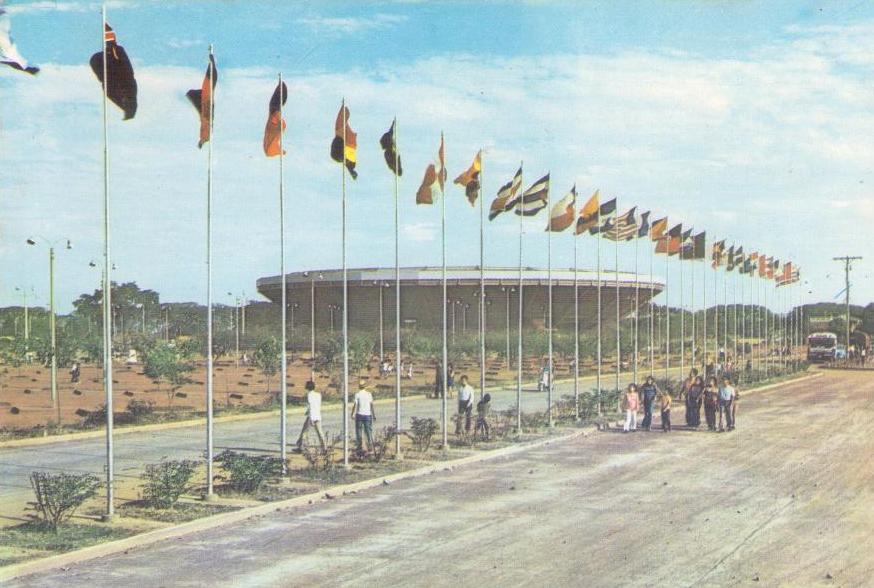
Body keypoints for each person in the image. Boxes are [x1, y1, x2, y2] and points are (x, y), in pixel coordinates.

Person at [295, 380, 326, 451]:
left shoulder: (309, 395)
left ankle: (301, 447)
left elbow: (311, 406)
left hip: (311, 417)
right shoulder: (318, 395)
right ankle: (324, 447)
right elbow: (317, 405)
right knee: (320, 433)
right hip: (317, 415)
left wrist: (311, 418)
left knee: (304, 432)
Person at [352, 380, 375, 453]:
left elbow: (355, 405)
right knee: (368, 431)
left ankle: (359, 446)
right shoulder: (369, 394)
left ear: (359, 387)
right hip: (367, 415)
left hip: (359, 414)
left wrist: (352, 413)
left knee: (359, 431)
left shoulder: (357, 394)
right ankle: (370, 446)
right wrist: (373, 415)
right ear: (365, 386)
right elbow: (371, 405)